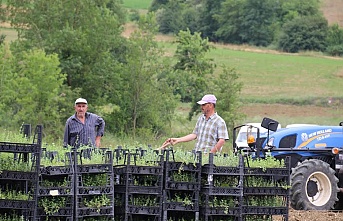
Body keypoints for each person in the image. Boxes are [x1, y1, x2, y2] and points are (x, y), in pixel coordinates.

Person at [161, 94, 229, 153]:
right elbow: (194, 135)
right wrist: (178, 140)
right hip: (197, 155)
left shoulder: (219, 121)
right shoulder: (201, 118)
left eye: (204, 105)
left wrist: (210, 154)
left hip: (210, 159)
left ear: (211, 105)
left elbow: (222, 141)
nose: (202, 107)